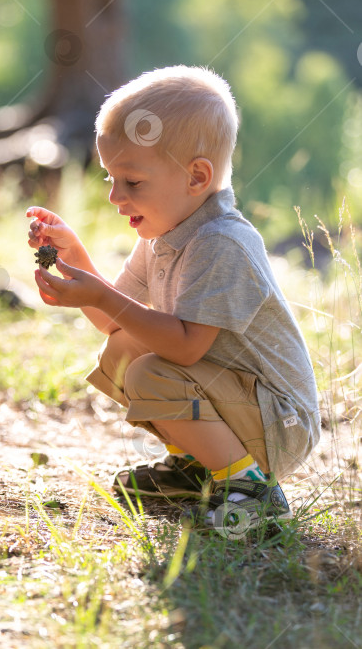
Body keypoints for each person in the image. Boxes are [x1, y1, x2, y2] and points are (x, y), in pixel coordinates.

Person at [26, 65, 320, 533]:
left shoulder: (221, 243)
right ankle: (196, 469)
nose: (115, 197)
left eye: (133, 182)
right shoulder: (164, 236)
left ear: (196, 177)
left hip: (279, 424)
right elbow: (114, 319)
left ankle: (253, 491)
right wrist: (74, 256)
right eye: (110, 179)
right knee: (124, 349)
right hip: (239, 403)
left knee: (149, 369)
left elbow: (185, 348)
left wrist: (101, 294)